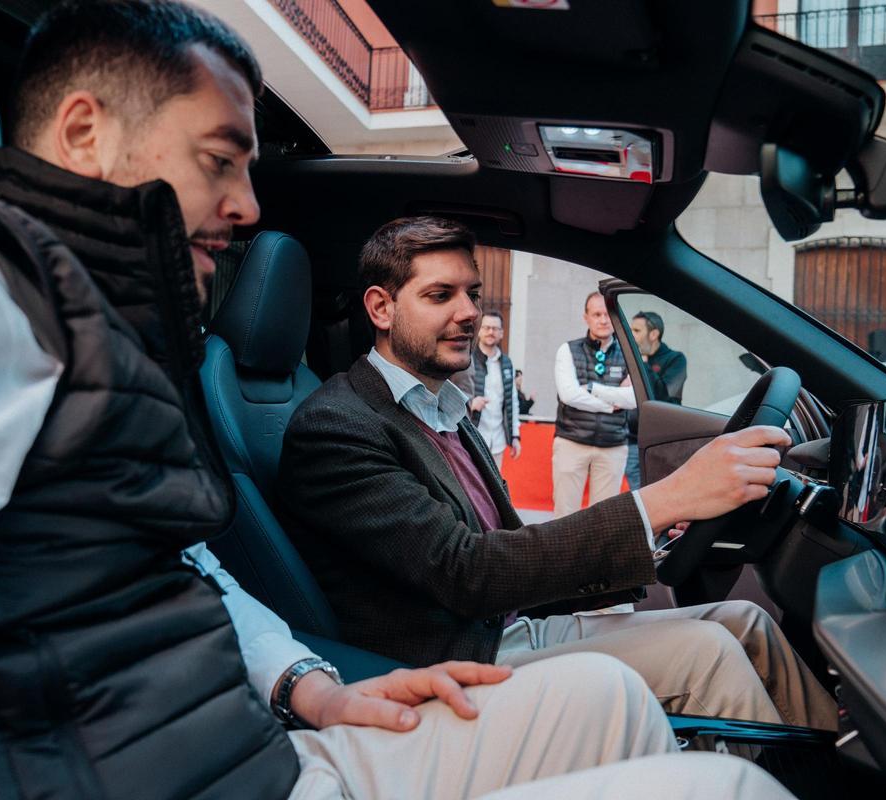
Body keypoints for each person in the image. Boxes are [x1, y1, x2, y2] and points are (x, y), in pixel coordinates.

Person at [0, 3, 801, 799]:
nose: (252, 207)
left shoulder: (97, 333)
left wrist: (316, 687)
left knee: (615, 692)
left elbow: (182, 561)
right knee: (731, 786)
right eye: (221, 159)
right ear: (85, 132)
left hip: (262, 753)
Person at [279, 216, 838, 734]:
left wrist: (657, 537)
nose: (470, 311)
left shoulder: (441, 405)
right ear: (380, 308)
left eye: (472, 292)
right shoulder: (336, 426)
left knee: (747, 622)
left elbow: (510, 547)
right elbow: (466, 571)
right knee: (710, 653)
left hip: (510, 626)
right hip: (460, 660)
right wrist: (664, 499)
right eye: (440, 295)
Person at [551, 291, 636, 513]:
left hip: (613, 446)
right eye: (596, 314)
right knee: (564, 514)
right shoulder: (568, 350)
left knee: (603, 518)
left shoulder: (630, 354)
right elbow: (569, 395)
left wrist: (592, 389)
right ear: (585, 317)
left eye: (608, 314)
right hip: (572, 441)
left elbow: (634, 399)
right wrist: (611, 402)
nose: (603, 320)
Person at [625, 310, 687, 489]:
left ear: (653, 334)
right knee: (637, 499)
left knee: (661, 495)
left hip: (662, 444)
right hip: (632, 443)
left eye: (636, 331)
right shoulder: (629, 360)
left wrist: (643, 364)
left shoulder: (675, 359)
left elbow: (665, 394)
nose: (630, 336)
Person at [469, 310, 521, 468]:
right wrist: (470, 403)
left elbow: (512, 401)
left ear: (501, 333)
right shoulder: (466, 360)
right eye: (486, 327)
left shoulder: (507, 363)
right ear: (479, 331)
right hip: (472, 438)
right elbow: (451, 392)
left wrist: (515, 435)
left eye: (495, 328)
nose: (490, 332)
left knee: (494, 489)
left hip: (497, 441)